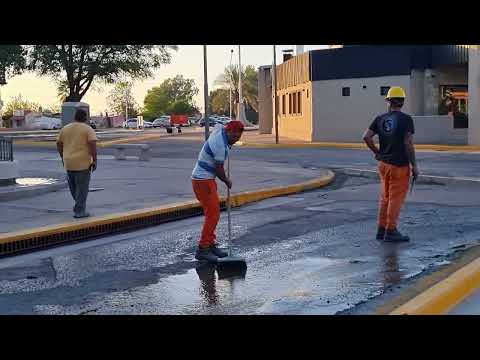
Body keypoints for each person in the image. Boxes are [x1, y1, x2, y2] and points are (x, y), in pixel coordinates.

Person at [362, 86, 419, 242]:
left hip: (384, 165)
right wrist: (414, 165)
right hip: (399, 165)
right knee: (396, 198)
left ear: (388, 101)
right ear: (402, 102)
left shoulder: (380, 118)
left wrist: (378, 153)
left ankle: (381, 230)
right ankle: (391, 230)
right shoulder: (406, 119)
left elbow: (366, 137)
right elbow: (408, 143)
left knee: (385, 198)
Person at [191, 120, 245, 262]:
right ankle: (203, 249)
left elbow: (219, 125)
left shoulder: (221, 131)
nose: (235, 140)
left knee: (213, 214)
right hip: (203, 181)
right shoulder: (220, 144)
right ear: (228, 132)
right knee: (213, 215)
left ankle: (211, 244)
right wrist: (227, 181)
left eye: (238, 138)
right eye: (233, 137)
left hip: (206, 180)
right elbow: (218, 168)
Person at [56, 109, 98, 218]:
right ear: (85, 118)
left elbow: (59, 143)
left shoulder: (65, 129)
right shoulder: (88, 129)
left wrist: (62, 155)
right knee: (82, 188)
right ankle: (80, 211)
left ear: (75, 116)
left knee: (73, 187)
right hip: (82, 162)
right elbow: (92, 144)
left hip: (68, 162)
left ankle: (78, 205)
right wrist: (94, 160)